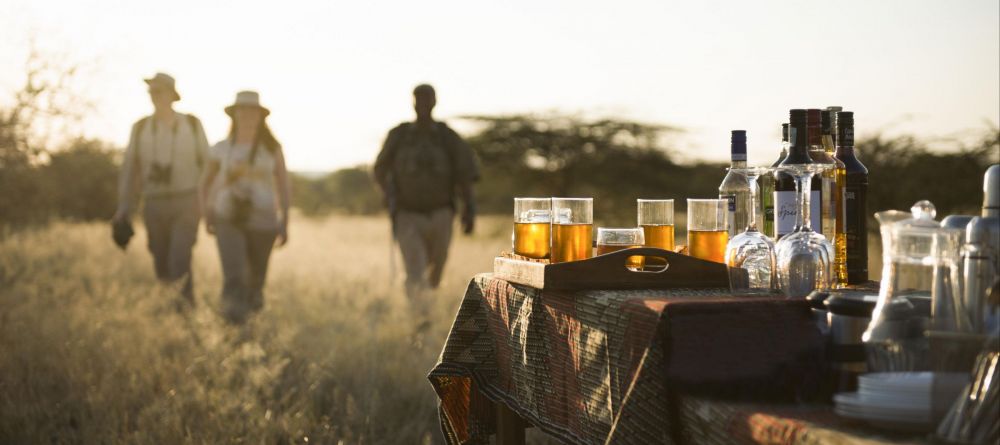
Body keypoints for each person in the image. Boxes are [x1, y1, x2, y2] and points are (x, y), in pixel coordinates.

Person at [374, 84, 479, 300]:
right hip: (407, 214)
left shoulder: (447, 136)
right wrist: (388, 195)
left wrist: (470, 209)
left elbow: (465, 174)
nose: (423, 104)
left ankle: (429, 309)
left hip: (441, 213)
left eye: (427, 99)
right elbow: (380, 169)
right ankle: (419, 319)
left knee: (435, 273)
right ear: (413, 102)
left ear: (435, 102)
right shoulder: (400, 135)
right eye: (419, 99)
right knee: (415, 271)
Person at [113, 72, 209, 307]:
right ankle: (170, 308)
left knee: (180, 257)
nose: (154, 96)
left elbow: (208, 165)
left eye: (158, 91)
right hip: (153, 202)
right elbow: (130, 170)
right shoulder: (141, 127)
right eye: (151, 91)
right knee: (160, 259)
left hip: (187, 200)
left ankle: (185, 310)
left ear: (171, 95)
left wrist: (207, 203)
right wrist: (123, 209)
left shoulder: (192, 124)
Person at [199, 91, 290, 324]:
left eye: (252, 111)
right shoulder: (221, 148)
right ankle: (231, 324)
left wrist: (284, 220)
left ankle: (253, 326)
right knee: (235, 274)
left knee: (257, 278)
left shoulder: (272, 148)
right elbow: (205, 182)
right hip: (227, 216)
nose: (247, 115)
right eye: (242, 110)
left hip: (264, 219)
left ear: (260, 116)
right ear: (234, 115)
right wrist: (206, 211)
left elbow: (283, 184)